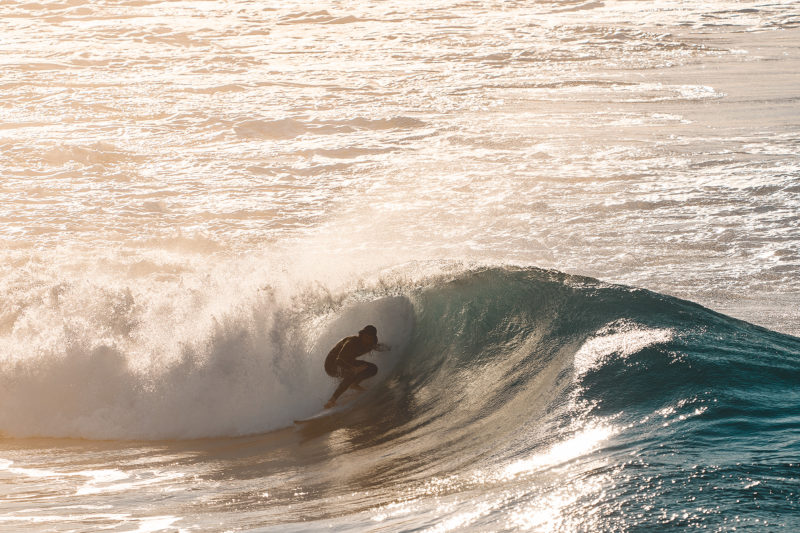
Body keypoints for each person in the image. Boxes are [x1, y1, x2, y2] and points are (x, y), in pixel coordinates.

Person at [323, 325, 389, 409]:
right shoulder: (352, 342)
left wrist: (392, 348)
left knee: (372, 368)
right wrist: (353, 368)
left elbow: (379, 347)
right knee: (352, 373)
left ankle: (354, 384)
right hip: (331, 365)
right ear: (361, 335)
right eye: (366, 337)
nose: (367, 340)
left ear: (373, 338)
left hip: (347, 362)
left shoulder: (371, 344)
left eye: (370, 338)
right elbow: (339, 360)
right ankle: (332, 400)